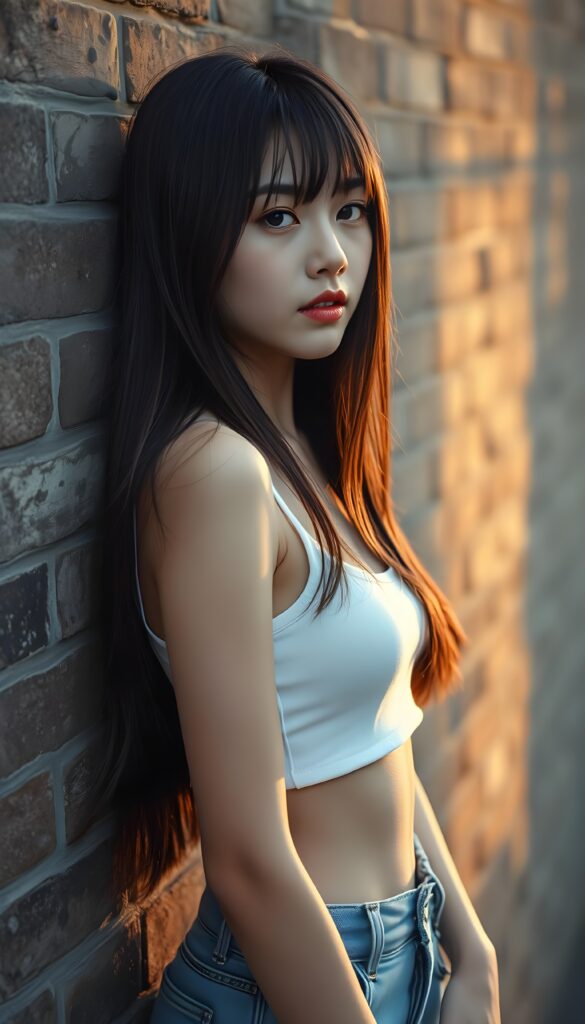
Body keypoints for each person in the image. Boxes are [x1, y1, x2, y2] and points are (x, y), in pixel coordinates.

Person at [87, 45, 501, 1024]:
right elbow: (245, 855)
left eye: (349, 209)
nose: (333, 254)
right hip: (297, 984)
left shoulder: (306, 457)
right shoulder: (214, 474)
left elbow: (378, 738)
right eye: (279, 217)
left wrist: (470, 949)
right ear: (191, 236)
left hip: (403, 950)